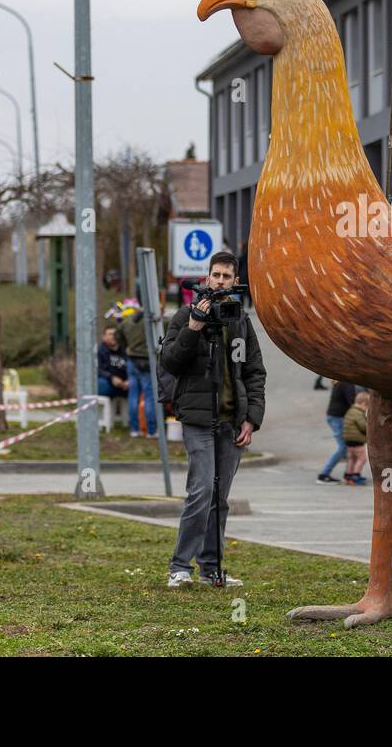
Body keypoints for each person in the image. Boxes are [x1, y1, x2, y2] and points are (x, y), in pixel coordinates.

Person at [159, 251, 266, 588]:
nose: (220, 281)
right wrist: (193, 328)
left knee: (220, 498)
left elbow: (254, 373)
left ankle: (211, 568)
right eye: (216, 275)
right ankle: (180, 566)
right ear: (207, 277)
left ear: (236, 281)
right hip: (198, 420)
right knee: (201, 492)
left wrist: (252, 418)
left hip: (232, 422)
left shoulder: (239, 322)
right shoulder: (183, 317)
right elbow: (171, 362)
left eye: (227, 277)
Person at [114, 299, 158, 439]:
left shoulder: (126, 322)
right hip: (147, 360)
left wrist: (126, 346)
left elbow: (117, 336)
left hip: (132, 361)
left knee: (133, 395)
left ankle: (134, 429)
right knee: (149, 396)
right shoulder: (149, 322)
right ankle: (151, 431)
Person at [318, 380, 359, 484]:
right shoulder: (347, 383)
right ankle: (323, 475)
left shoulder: (341, 382)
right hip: (337, 418)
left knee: (347, 447)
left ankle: (348, 474)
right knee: (343, 448)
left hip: (335, 416)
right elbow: (352, 402)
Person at [96, 325, 131, 431]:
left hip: (126, 383)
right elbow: (99, 369)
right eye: (110, 334)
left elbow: (133, 367)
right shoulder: (101, 351)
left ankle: (133, 425)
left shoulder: (125, 350)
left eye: (115, 334)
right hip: (109, 382)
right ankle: (104, 420)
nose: (113, 337)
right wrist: (112, 378)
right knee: (102, 384)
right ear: (104, 337)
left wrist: (129, 380)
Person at [342, 390, 370, 485]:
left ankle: (348, 475)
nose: (366, 409)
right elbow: (363, 425)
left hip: (348, 440)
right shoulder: (358, 413)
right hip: (357, 440)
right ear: (363, 403)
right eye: (367, 406)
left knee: (351, 458)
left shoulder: (351, 410)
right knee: (362, 458)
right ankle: (355, 476)